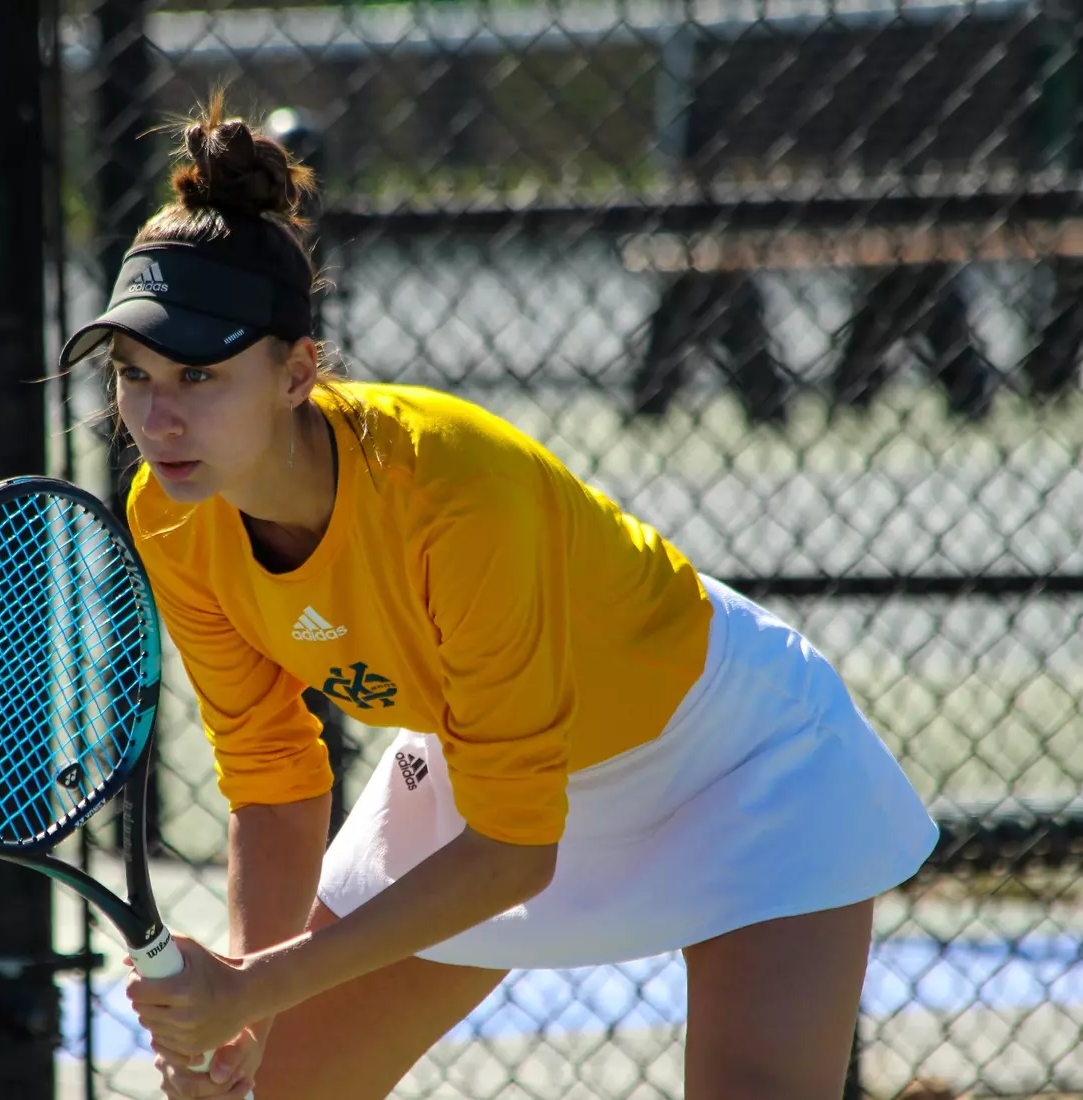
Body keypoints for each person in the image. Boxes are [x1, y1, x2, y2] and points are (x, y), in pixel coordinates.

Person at [57, 94, 940, 1100]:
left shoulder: (453, 488)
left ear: (297, 370)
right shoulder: (168, 513)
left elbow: (516, 851)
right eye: (135, 375)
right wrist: (247, 1011)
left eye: (200, 375)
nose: (158, 416)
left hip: (732, 761)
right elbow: (270, 771)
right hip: (488, 759)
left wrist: (258, 982)